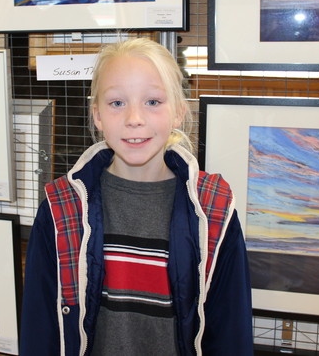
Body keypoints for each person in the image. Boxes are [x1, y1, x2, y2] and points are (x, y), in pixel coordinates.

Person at [20, 38, 253, 355]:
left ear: (179, 112)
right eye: (117, 103)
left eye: (153, 102)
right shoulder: (61, 208)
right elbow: (39, 325)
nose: (134, 118)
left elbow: (230, 330)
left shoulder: (213, 210)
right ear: (98, 115)